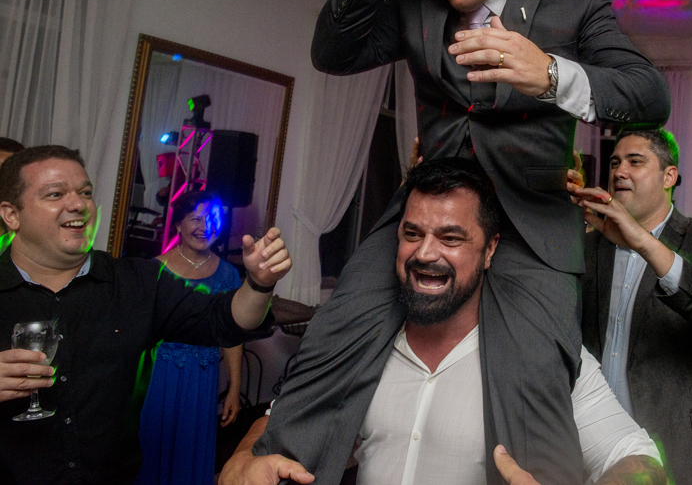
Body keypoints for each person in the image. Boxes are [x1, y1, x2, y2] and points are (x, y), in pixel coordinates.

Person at [261, 0, 671, 485]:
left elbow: (648, 95)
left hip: (534, 227)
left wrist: (551, 74)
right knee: (335, 332)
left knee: (532, 381)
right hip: (433, 211)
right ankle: (276, 471)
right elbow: (331, 52)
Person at [224, 159, 666, 485]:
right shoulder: (365, 339)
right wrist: (243, 457)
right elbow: (288, 411)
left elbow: (637, 458)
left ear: (490, 250)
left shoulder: (538, 349)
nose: (425, 254)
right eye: (412, 234)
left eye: (451, 238)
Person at [0, 146, 290, 485]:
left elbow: (224, 319)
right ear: (11, 215)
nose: (78, 204)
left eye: (85, 193)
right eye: (55, 194)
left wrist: (258, 282)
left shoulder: (138, 282)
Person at [572, 127, 692, 484]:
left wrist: (644, 243)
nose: (619, 171)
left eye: (635, 162)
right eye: (614, 162)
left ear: (668, 176)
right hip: (604, 447)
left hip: (688, 447)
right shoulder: (591, 245)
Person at [135, 191, 244, 485]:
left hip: (203, 378)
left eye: (211, 218)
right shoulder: (154, 270)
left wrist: (234, 388)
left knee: (191, 453)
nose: (204, 225)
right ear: (179, 225)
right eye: (195, 218)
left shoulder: (229, 275)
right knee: (151, 451)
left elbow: (232, 337)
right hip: (159, 377)